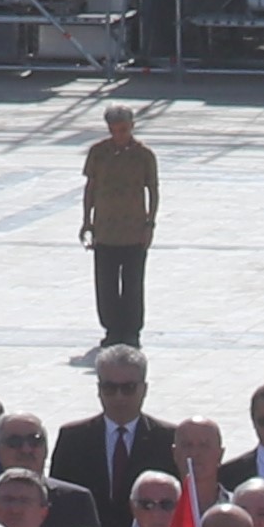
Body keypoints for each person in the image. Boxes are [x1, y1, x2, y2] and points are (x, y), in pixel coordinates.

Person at [80, 109, 159, 361]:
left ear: (132, 126)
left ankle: (132, 330)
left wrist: (150, 224)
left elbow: (153, 191)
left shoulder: (144, 155)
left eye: (123, 129)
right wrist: (86, 221)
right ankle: (112, 329)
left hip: (134, 229)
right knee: (106, 283)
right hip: (105, 229)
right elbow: (90, 188)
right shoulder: (98, 153)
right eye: (114, 130)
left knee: (133, 283)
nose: (119, 135)